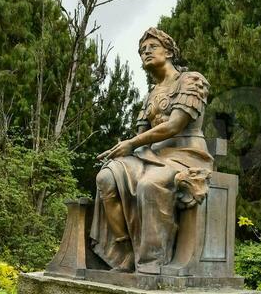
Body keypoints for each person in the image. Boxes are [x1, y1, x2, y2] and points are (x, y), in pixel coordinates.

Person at [91, 27, 212, 274]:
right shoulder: (150, 95)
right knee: (106, 177)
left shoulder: (191, 80)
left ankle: (151, 262)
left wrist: (132, 145)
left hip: (185, 154)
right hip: (150, 154)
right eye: (142, 50)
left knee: (150, 185)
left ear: (168, 52)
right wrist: (121, 151)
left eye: (152, 47)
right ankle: (126, 251)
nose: (146, 52)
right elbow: (141, 136)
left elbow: (175, 125)